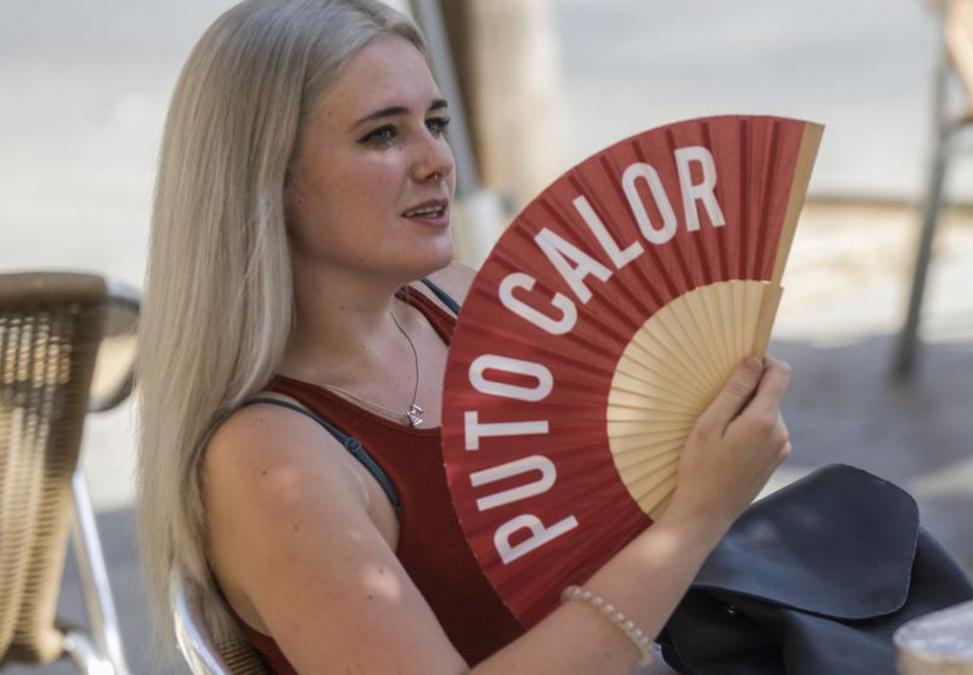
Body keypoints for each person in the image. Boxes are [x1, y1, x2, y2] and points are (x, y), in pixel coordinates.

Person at [136, 1, 792, 673]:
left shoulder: (467, 300)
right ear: (267, 178)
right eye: (382, 135)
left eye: (437, 123)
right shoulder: (270, 462)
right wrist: (695, 518)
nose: (437, 161)